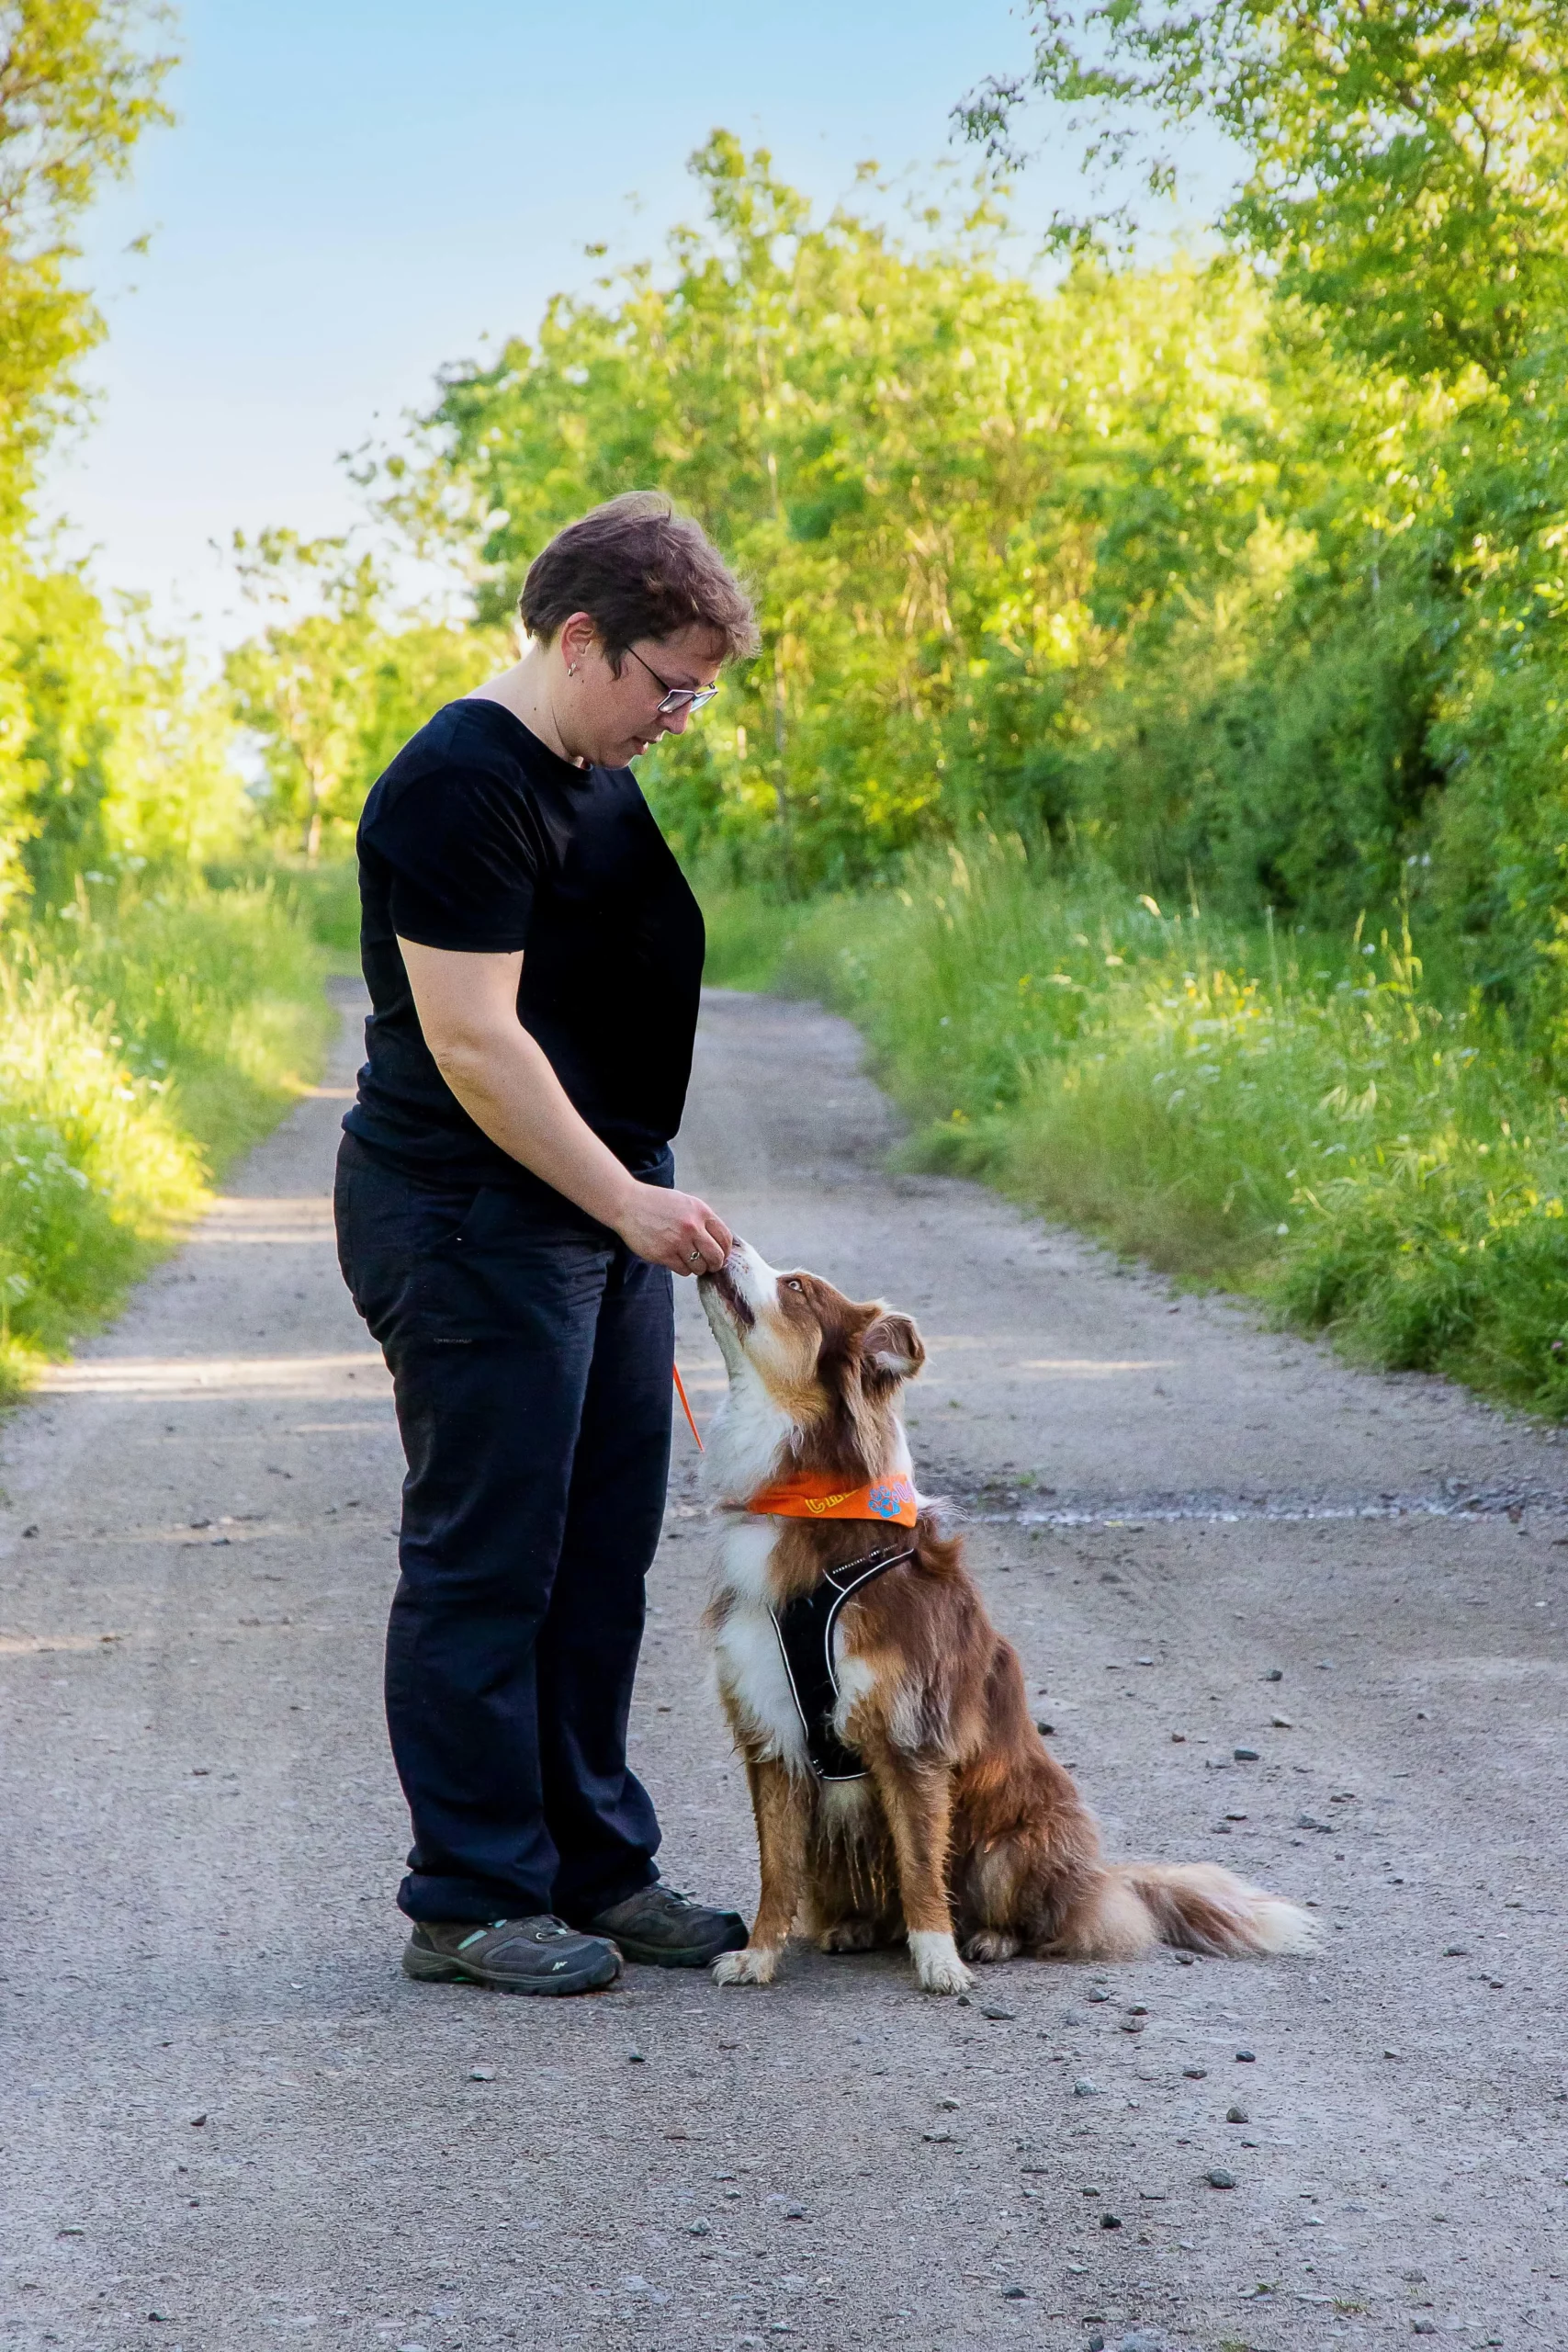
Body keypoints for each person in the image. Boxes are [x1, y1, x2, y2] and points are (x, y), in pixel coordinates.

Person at [333, 492, 758, 1994]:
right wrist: (626, 1199)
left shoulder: (591, 766)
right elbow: (476, 1044)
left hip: (589, 1214)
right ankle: (468, 1896)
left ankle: (594, 1869)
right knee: (488, 1554)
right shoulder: (459, 784)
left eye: (699, 691)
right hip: (472, 1217)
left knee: (596, 1557)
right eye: (669, 683)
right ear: (582, 638)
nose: (682, 716)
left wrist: (640, 1190)